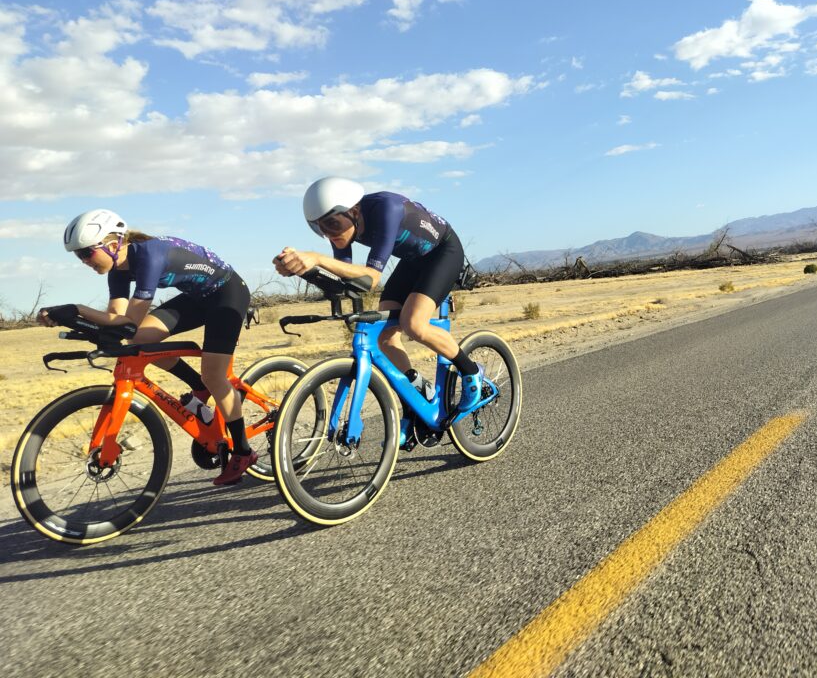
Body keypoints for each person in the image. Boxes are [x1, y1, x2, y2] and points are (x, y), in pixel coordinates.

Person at [38, 209, 256, 485]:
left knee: (215, 375)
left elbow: (129, 320)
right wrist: (75, 320)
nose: (83, 261)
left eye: (86, 253)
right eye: (78, 256)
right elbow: (118, 322)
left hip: (228, 294)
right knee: (140, 341)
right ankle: (198, 387)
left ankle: (243, 451)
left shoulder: (148, 256)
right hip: (197, 298)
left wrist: (78, 309)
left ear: (113, 243)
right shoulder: (117, 270)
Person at [273, 178, 483, 446]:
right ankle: (416, 403)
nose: (329, 233)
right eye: (320, 227)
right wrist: (304, 269)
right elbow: (347, 281)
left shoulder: (386, 208)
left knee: (413, 324)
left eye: (333, 223)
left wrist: (317, 257)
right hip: (412, 260)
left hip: (443, 252)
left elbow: (371, 278)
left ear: (355, 211)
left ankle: (471, 371)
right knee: (384, 338)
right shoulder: (344, 229)